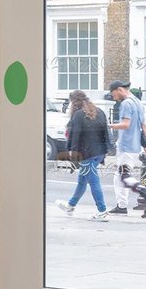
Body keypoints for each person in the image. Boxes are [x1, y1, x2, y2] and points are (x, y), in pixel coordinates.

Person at [106, 80, 146, 218]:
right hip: (134, 146)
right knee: (119, 176)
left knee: (124, 176)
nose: (114, 98)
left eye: (113, 94)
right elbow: (144, 125)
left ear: (119, 89)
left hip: (126, 145)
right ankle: (121, 206)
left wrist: (108, 126)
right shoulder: (137, 102)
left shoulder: (126, 103)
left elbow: (125, 124)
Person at [55, 90, 110, 221]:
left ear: (74, 102)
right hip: (99, 153)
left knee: (93, 181)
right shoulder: (99, 112)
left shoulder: (78, 115)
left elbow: (75, 138)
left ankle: (102, 211)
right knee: (82, 180)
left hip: (87, 154)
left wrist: (73, 157)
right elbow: (106, 133)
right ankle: (70, 205)